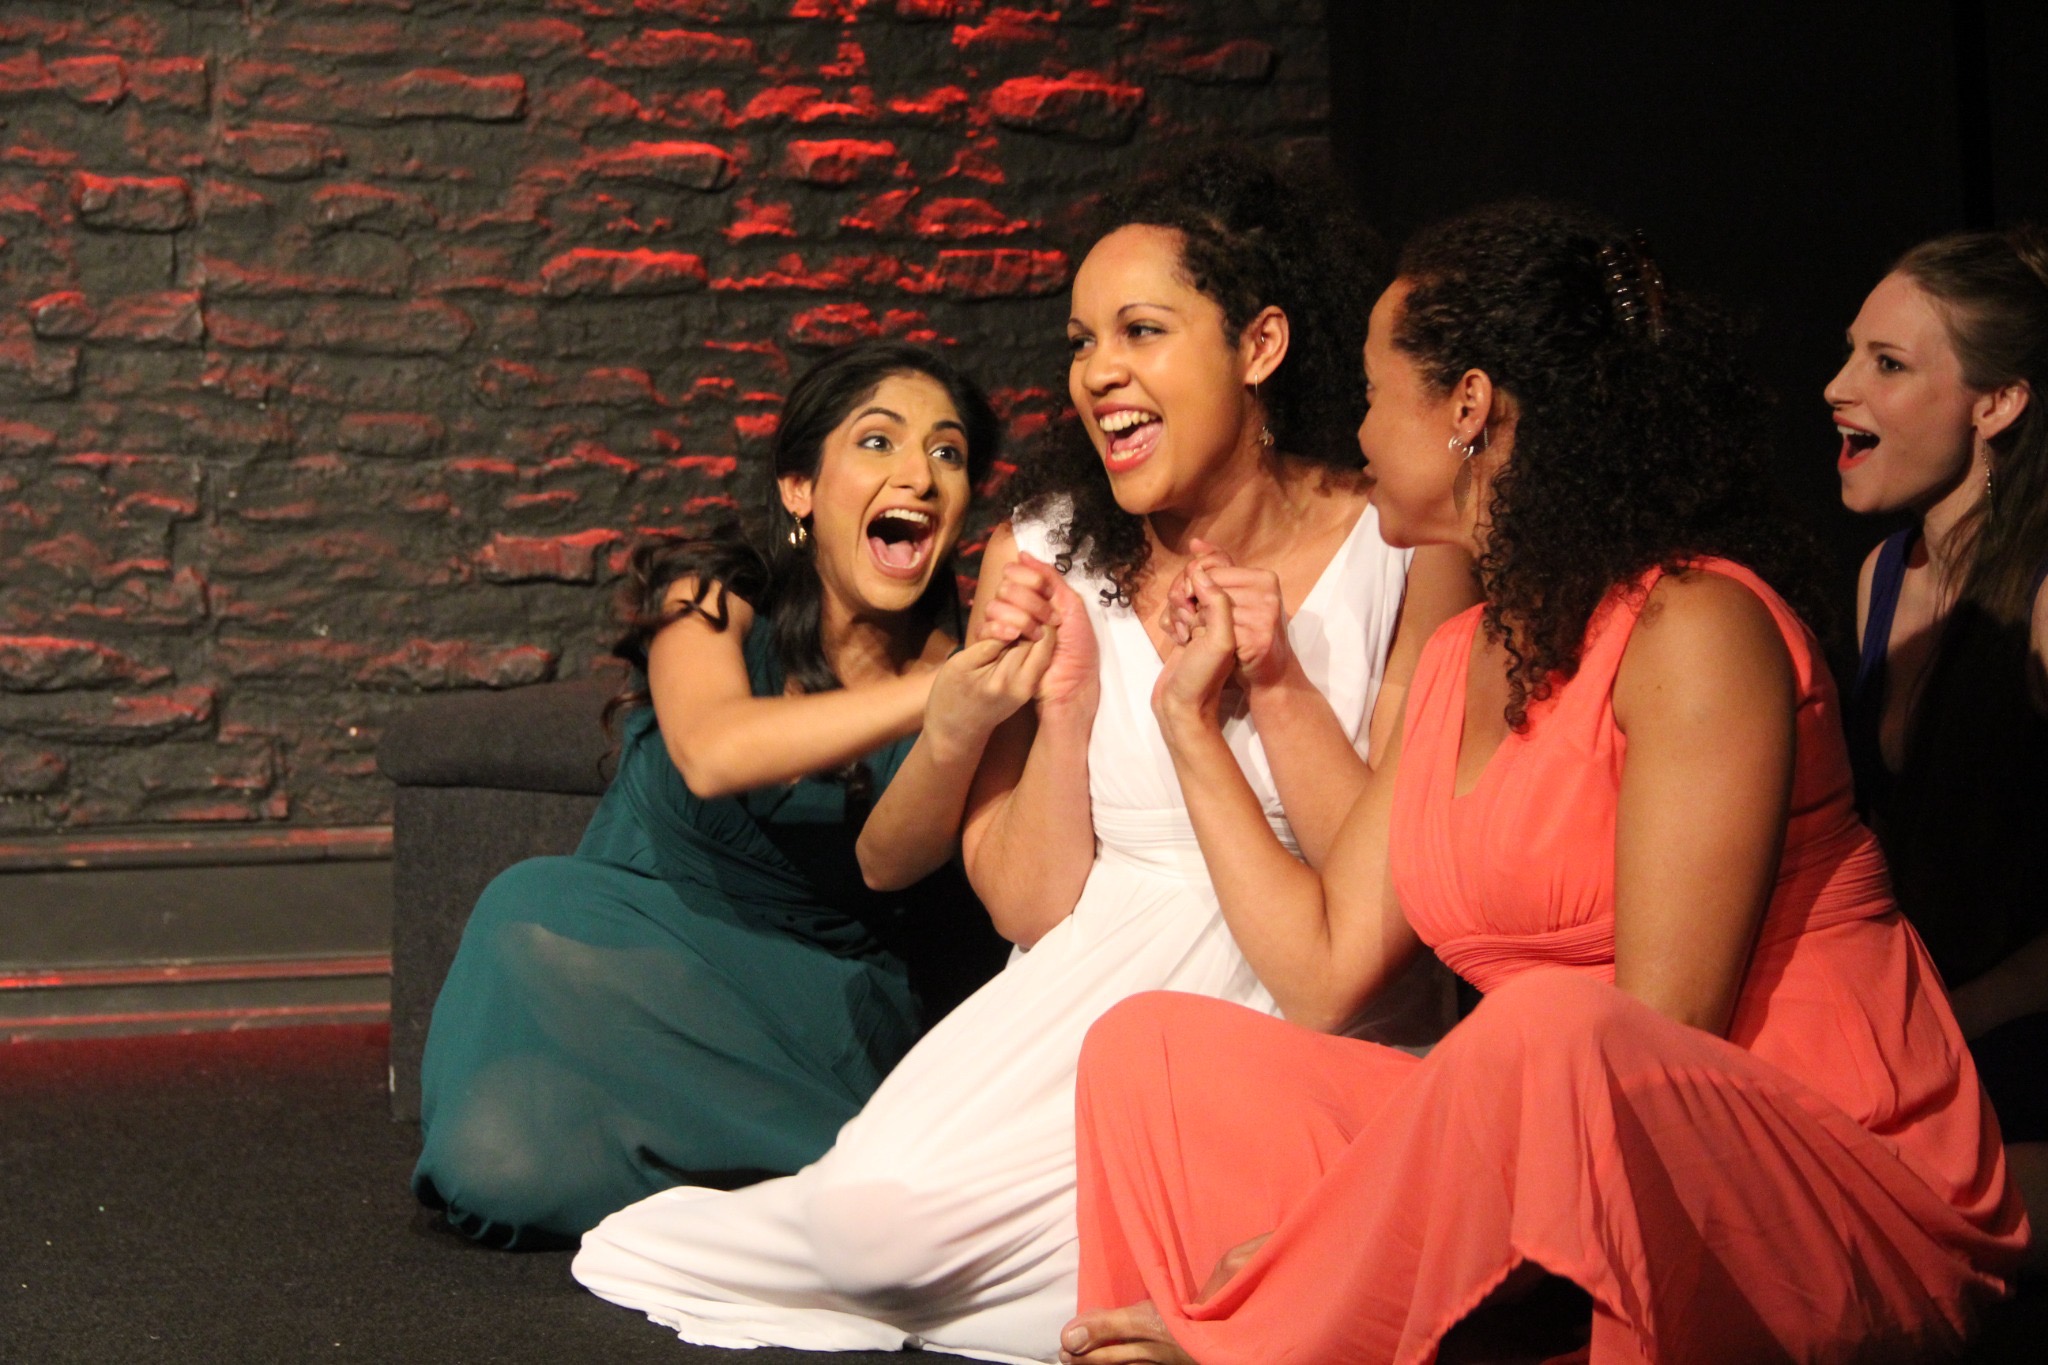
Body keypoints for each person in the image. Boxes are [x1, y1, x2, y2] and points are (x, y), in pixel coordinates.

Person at [1059, 201, 2028, 1365]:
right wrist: (1191, 720)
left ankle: (1258, 1333)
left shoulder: (1692, 623)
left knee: (1555, 1029)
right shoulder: (1465, 651)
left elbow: (1654, 1035)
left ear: (1466, 406)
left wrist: (1321, 1245)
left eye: (1371, 390)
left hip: (1797, 1169)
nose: (1353, 425)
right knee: (1150, 1052)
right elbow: (1321, 969)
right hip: (1543, 1148)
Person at [572, 152, 1474, 1361]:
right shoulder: (1046, 550)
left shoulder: (1400, 541)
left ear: (1258, 346)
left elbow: (1389, 877)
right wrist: (1060, 713)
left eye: (1140, 331)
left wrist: (1272, 684)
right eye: (1080, 341)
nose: (1097, 372)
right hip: (1088, 986)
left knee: (1182, 1254)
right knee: (865, 1231)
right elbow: (1030, 902)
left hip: (1312, 1013)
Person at [411, 340, 999, 1247]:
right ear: (800, 488)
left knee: (877, 1197)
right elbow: (715, 751)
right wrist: (941, 691)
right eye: (878, 443)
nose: (917, 474)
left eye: (947, 452)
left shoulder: (969, 675)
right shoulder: (715, 595)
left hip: (820, 1010)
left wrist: (959, 702)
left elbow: (900, 857)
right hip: (634, 951)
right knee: (498, 1145)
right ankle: (739, 1189)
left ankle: (798, 1178)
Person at [1831, 225, 2048, 1274]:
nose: (1835, 388)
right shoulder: (1880, 577)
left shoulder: (2043, 596)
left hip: (2014, 1052)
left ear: (1996, 403)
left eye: (1886, 365)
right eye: (1847, 353)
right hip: (1912, 1048)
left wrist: (1942, 1029)